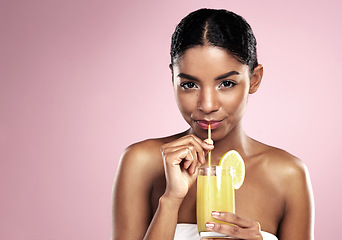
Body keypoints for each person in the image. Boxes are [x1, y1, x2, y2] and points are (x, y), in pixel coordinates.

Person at [111, 8, 314, 240]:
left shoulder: (288, 176)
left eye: (226, 83)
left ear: (254, 80)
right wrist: (170, 200)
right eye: (189, 85)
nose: (207, 105)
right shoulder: (142, 162)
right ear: (173, 79)